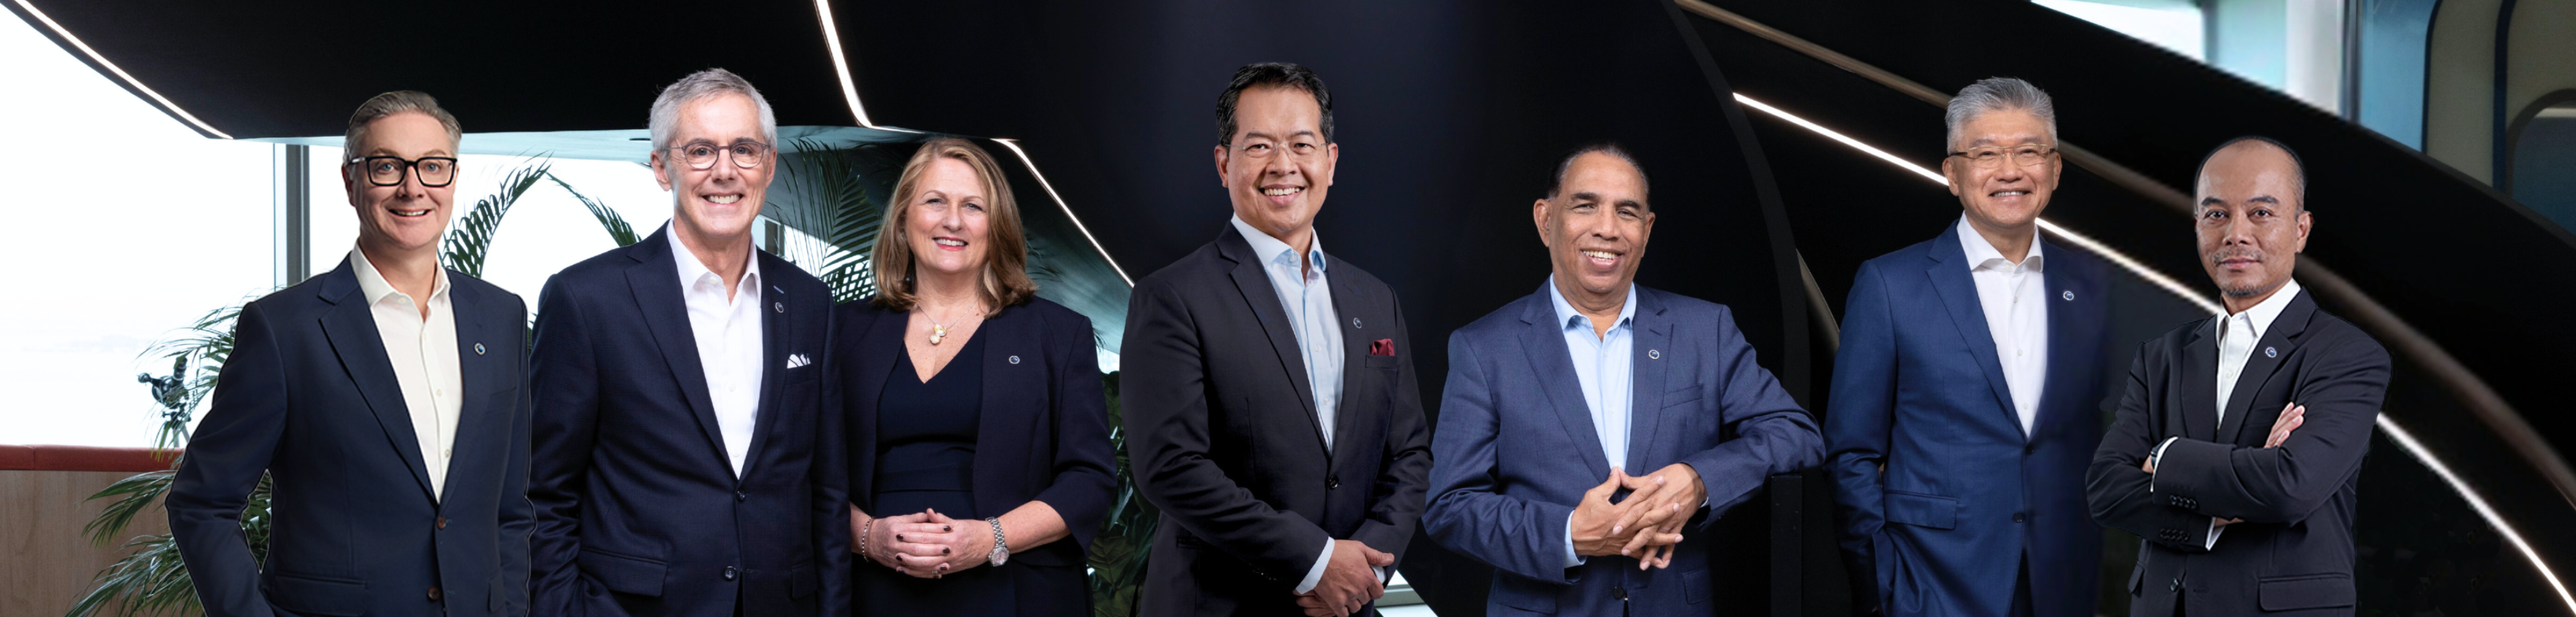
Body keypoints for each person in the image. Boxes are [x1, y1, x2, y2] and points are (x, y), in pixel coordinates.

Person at [168, 91, 532, 617]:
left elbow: (510, 509)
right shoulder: (284, 329)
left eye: (433, 167)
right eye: (387, 166)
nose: (413, 188)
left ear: (452, 179)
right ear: (350, 181)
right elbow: (202, 504)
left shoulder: (501, 317)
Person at [1423, 144, 1824, 615]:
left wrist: (1699, 481)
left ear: (1647, 230)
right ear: (1546, 219)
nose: (1607, 229)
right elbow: (1449, 507)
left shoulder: (1704, 331)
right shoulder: (1484, 348)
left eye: (1627, 212)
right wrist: (1569, 533)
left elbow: (1797, 434)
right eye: (1585, 205)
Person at [527, 68, 847, 617]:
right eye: (700, 150)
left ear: (768, 166)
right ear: (660, 166)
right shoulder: (587, 300)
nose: (725, 172)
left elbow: (827, 492)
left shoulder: (809, 303)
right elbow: (542, 492)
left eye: (744, 150)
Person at [1120, 62, 1432, 617]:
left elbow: (1408, 454)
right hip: (1218, 604)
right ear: (1223, 163)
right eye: (1259, 146)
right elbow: (1170, 466)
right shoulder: (1170, 297)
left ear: (1330, 162)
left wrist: (1363, 568)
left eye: (1302, 144)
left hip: (1347, 607)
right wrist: (1315, 562)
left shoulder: (1374, 299)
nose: (1283, 166)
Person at [1823, 77, 2114, 617]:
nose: (2010, 170)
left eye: (2029, 151)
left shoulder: (2092, 287)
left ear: (2054, 169)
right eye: (1985, 154)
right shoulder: (1891, 285)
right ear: (1952, 174)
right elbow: (1853, 454)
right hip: (1935, 587)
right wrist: (1883, 589)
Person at [2087, 137, 2386, 616]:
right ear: (2198, 227)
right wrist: (2218, 511)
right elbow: (2106, 489)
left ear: (2301, 229)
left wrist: (2163, 457)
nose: (2236, 234)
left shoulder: (2347, 355)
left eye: (2262, 213)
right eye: (2216, 214)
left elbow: (2291, 486)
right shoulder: (2162, 355)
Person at [833, 137, 1118, 616]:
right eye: (935, 201)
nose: (953, 221)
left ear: (997, 226)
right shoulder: (843, 331)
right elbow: (805, 471)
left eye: (973, 206)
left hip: (1016, 591)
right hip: (871, 590)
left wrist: (991, 538)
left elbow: (1089, 479)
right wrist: (868, 536)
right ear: (904, 219)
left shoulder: (1058, 334)